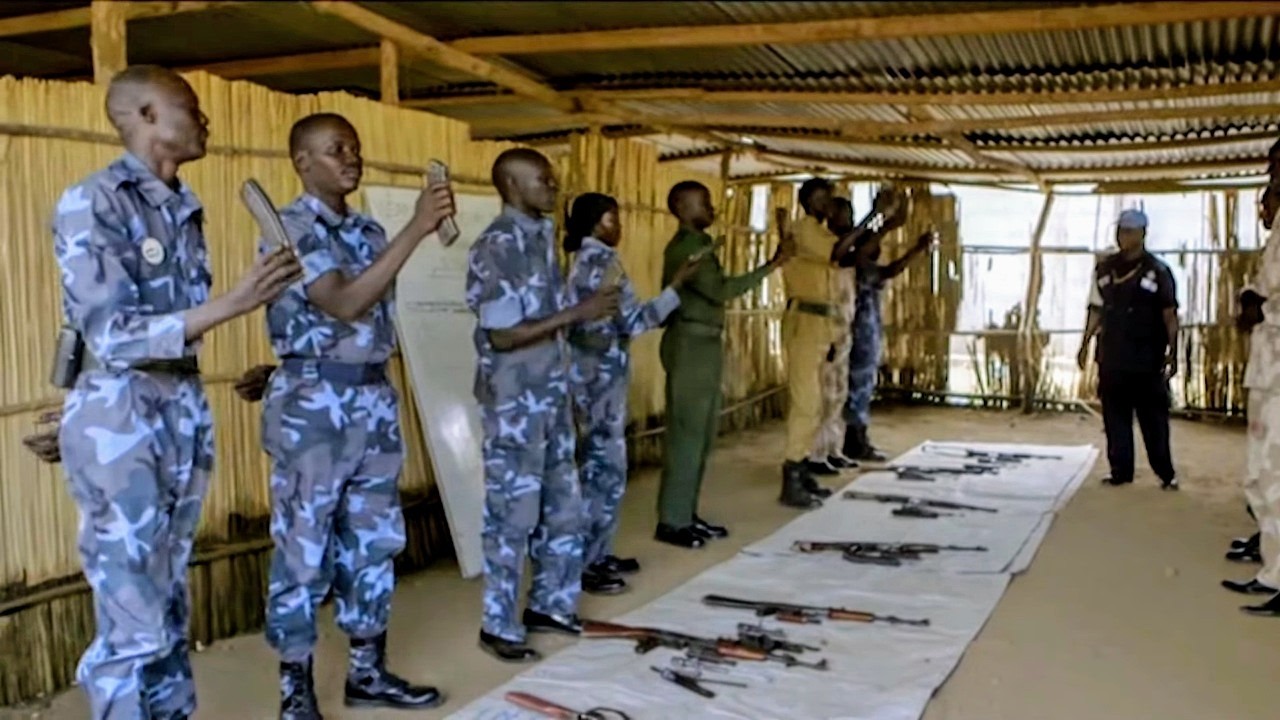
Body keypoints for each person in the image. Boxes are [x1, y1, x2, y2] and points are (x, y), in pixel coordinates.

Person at [53, 65, 302, 720]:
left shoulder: (182, 207)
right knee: (131, 612)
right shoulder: (94, 201)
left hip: (177, 414)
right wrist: (236, 302)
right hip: (123, 422)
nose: (204, 119)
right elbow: (111, 334)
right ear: (143, 115)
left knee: (166, 602)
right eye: (188, 106)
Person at [255, 113, 454, 717]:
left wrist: (406, 234)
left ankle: (366, 672)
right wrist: (417, 228)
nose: (350, 156)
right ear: (302, 162)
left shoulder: (366, 228)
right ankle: (295, 689)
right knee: (303, 547)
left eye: (354, 147)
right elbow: (342, 300)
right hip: (314, 408)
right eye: (334, 148)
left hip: (371, 399)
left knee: (373, 541)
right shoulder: (287, 227)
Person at [466, 149, 621, 661]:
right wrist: (580, 312)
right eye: (542, 179)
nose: (553, 185)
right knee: (512, 518)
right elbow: (505, 336)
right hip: (516, 408)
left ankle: (551, 604)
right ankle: (499, 623)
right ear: (511, 184)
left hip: (550, 401)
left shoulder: (540, 239)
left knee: (563, 510)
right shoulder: (497, 246)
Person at [564, 193, 702, 594]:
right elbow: (636, 321)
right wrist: (675, 288)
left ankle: (599, 552)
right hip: (600, 380)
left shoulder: (580, 262)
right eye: (613, 218)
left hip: (589, 377)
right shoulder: (602, 262)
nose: (619, 226)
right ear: (597, 223)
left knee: (601, 468)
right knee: (602, 471)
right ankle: (587, 564)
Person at [656, 181, 793, 548]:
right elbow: (720, 291)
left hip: (702, 344)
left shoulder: (698, 245)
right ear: (683, 208)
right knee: (687, 437)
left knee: (699, 437)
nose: (712, 209)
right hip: (690, 345)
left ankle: (685, 513)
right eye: (705, 204)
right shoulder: (689, 247)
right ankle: (672, 521)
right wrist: (770, 266)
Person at [1077, 208, 1179, 490]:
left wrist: (1174, 351)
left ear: (1143, 235)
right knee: (1115, 418)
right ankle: (1120, 471)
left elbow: (1169, 314)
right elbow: (1095, 309)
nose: (1123, 237)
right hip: (1112, 355)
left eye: (1130, 231)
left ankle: (1166, 474)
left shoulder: (1158, 272)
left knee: (1153, 420)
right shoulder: (1104, 269)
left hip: (1147, 358)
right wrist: (1084, 344)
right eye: (1120, 230)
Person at [839, 189, 930, 462]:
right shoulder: (844, 255)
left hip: (867, 329)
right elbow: (865, 254)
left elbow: (890, 269)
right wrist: (887, 222)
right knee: (856, 385)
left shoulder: (861, 260)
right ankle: (853, 440)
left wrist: (915, 248)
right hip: (856, 330)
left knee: (862, 384)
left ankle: (857, 437)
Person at [779, 178, 849, 505]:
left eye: (828, 199)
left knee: (816, 401)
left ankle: (803, 467)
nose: (825, 205)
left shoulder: (820, 233)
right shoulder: (804, 231)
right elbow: (838, 253)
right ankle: (791, 474)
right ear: (806, 201)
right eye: (820, 199)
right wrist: (873, 217)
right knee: (805, 402)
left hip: (820, 321)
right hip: (805, 321)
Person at [1230, 184, 1280, 615]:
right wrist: (1249, 299)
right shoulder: (1277, 233)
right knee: (1262, 476)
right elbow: (1262, 288)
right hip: (1266, 373)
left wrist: (1264, 310)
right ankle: (1273, 571)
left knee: (1277, 478)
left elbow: (1270, 300)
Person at [810, 196, 860, 473]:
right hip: (828, 330)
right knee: (823, 395)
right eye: (844, 215)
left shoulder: (847, 246)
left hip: (843, 328)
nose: (848, 220)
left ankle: (833, 449)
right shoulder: (827, 247)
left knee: (838, 394)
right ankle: (816, 454)